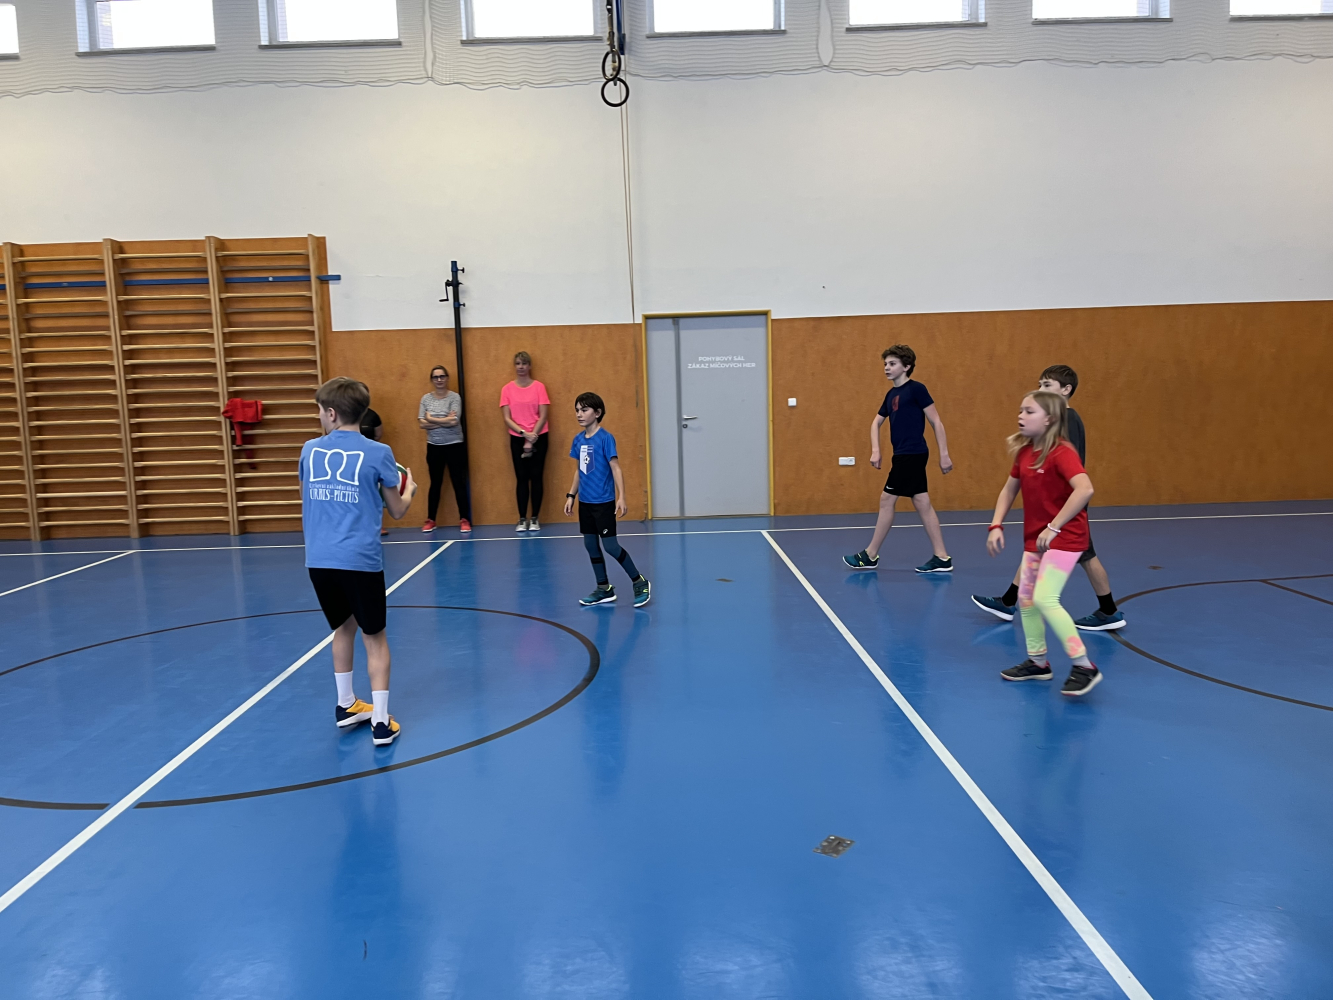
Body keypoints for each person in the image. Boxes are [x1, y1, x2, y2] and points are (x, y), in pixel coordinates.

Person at [301, 377, 417, 745]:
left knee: (342, 628)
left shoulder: (308, 450)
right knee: (375, 637)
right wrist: (409, 490)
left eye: (320, 412)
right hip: (359, 560)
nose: (320, 417)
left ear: (331, 413)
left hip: (319, 559)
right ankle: (381, 722)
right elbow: (397, 510)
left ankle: (346, 704)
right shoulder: (379, 453)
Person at [971, 365, 1125, 630]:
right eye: (1040, 384)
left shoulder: (1067, 420)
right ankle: (1010, 601)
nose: (1040, 389)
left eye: (1047, 385)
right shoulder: (1042, 433)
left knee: (1078, 556)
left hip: (1066, 508)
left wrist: (1057, 520)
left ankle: (1105, 614)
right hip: (1054, 507)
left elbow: (1073, 473)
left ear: (1066, 390)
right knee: (1049, 551)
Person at [986, 390, 1102, 696]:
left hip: (1066, 537)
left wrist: (1054, 526)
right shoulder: (1025, 452)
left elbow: (1085, 489)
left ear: (1049, 419)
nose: (1020, 416)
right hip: (1036, 539)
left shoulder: (1062, 452)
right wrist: (996, 525)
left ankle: (1084, 666)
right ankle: (1038, 662)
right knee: (1026, 599)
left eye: (1029, 411)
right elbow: (1009, 490)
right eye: (1020, 410)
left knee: (1045, 598)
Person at [843, 345, 955, 574]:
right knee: (922, 502)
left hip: (912, 454)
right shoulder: (891, 395)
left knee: (887, 500)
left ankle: (870, 554)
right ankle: (942, 557)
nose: (887, 367)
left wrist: (944, 454)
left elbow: (936, 421)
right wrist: (876, 450)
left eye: (892, 364)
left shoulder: (916, 389)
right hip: (902, 454)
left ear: (907, 366)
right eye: (885, 364)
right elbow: (876, 422)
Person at [563, 392, 651, 608]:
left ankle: (639, 581)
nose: (579, 414)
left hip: (603, 502)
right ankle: (603, 588)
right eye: (577, 410)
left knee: (610, 546)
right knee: (590, 545)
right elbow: (579, 470)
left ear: (597, 412)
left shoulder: (605, 438)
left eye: (584, 410)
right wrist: (571, 495)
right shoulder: (578, 440)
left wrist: (622, 496)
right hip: (586, 503)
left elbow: (615, 468)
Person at [500, 351, 551, 532]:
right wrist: (523, 434)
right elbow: (507, 418)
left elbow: (543, 416)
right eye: (518, 363)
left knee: (536, 477)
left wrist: (532, 436)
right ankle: (522, 519)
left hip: (539, 437)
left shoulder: (539, 387)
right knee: (521, 478)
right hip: (517, 438)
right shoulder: (507, 389)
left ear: (529, 366)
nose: (521, 367)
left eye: (524, 363)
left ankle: (535, 517)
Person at [418, 365, 471, 534]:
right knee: (435, 483)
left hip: (455, 446)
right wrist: (444, 420)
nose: (439, 380)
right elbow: (421, 423)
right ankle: (431, 519)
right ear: (432, 380)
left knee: (458, 483)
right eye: (436, 377)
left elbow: (454, 421)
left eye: (442, 376)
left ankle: (464, 519)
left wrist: (431, 418)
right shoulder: (426, 399)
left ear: (447, 378)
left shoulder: (454, 397)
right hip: (434, 447)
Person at [359, 405, 390, 536]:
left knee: (374, 492)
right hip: (350, 458)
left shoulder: (372, 415)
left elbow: (378, 435)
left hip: (369, 458)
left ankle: (378, 525)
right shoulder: (346, 415)